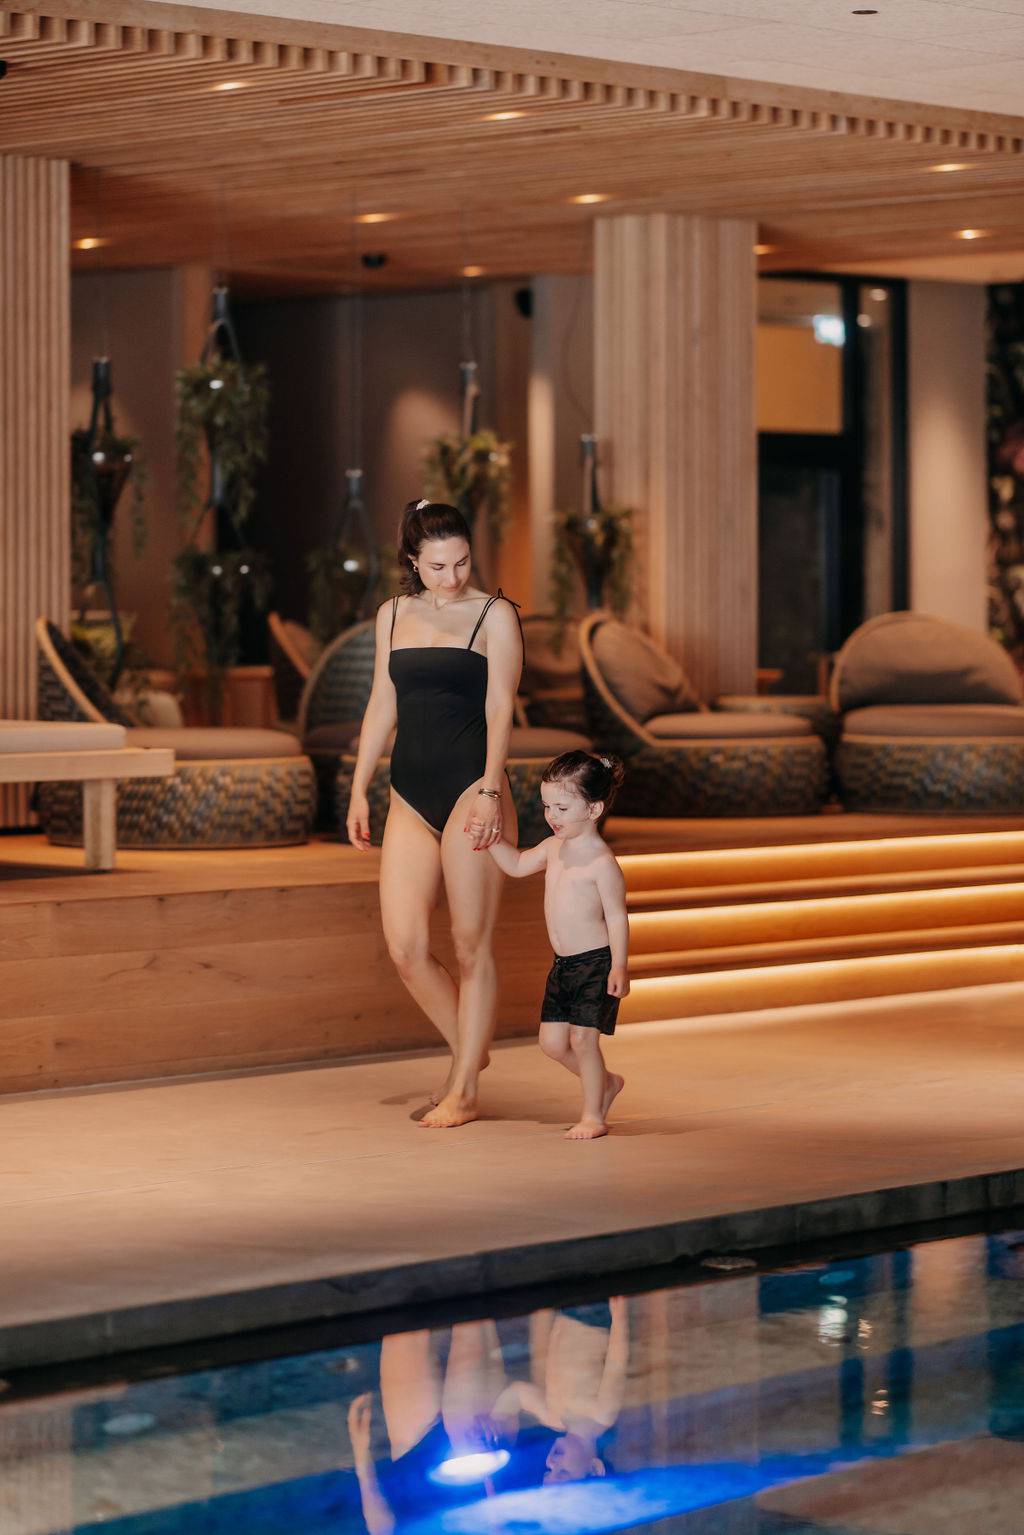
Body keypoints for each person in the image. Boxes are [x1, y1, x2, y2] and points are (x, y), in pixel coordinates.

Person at [346, 499, 522, 1129]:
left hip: (473, 790)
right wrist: (359, 785)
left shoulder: (495, 615)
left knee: (471, 949)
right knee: (405, 946)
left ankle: (465, 1088)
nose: (452, 577)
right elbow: (381, 704)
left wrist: (490, 791)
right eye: (438, 566)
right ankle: (470, 1056)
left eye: (462, 562)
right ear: (413, 562)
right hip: (409, 795)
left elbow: (502, 708)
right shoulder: (392, 614)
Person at [486, 749, 629, 1140]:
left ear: (594, 809)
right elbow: (516, 866)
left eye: (562, 808)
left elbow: (617, 916)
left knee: (584, 1040)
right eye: (547, 806)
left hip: (595, 963)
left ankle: (593, 1115)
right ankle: (607, 1084)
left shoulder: (602, 862)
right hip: (563, 965)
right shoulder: (552, 848)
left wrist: (619, 966)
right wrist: (491, 839)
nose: (552, 816)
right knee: (552, 1044)